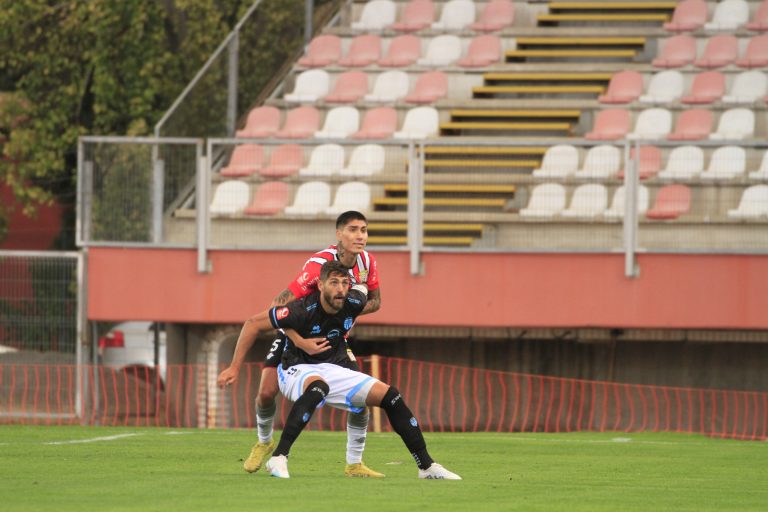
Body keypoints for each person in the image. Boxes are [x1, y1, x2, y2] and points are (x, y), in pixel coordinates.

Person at [217, 261, 461, 480]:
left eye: (345, 283)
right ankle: (279, 457)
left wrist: (366, 269)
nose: (341, 289)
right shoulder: (300, 309)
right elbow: (252, 324)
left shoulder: (353, 301)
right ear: (320, 285)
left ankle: (426, 467)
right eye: (334, 283)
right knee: (316, 388)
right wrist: (234, 367)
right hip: (295, 368)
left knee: (391, 396)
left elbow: (370, 291)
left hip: (333, 366)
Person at [247, 211, 383, 477]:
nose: (360, 236)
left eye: (364, 230)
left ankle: (354, 463)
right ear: (339, 234)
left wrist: (342, 312)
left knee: (360, 397)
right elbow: (279, 303)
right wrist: (299, 339)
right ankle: (264, 442)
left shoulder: (367, 262)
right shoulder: (318, 264)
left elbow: (376, 302)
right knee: (265, 393)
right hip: (296, 331)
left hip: (334, 338)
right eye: (353, 230)